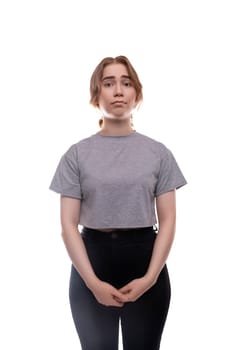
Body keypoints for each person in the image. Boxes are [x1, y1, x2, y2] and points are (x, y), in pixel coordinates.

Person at [49, 55, 187, 350]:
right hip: (92, 262)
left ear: (137, 93)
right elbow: (68, 225)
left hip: (146, 259)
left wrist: (150, 278)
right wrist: (92, 282)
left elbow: (169, 221)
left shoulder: (158, 153)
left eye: (126, 83)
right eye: (108, 83)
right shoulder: (76, 154)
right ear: (96, 94)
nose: (118, 91)